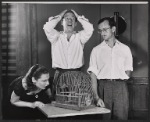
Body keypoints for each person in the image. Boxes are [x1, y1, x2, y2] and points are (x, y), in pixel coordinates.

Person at [88, 17, 133, 120]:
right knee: (104, 118)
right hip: (103, 87)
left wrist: (119, 81)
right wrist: (96, 97)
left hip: (121, 87)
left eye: (105, 29)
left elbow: (128, 72)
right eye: (100, 30)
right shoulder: (96, 50)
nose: (102, 33)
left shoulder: (125, 49)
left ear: (113, 29)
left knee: (121, 118)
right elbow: (93, 75)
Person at [43, 9, 94, 99]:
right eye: (66, 18)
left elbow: (90, 29)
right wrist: (60, 16)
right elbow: (47, 27)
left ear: (76, 23)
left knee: (76, 102)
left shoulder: (80, 37)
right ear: (62, 22)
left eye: (72, 18)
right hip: (60, 75)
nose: (69, 20)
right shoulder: (55, 36)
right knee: (59, 102)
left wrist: (78, 17)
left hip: (77, 75)